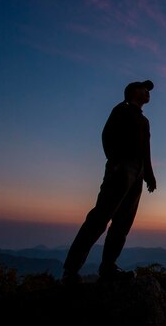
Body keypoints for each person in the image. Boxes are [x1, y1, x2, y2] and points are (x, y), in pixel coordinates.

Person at [62, 80, 157, 284]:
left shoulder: (144, 120)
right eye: (144, 89)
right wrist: (115, 162)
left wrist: (149, 174)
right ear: (132, 91)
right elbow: (107, 136)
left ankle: (108, 268)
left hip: (137, 173)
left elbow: (145, 150)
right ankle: (71, 270)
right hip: (122, 168)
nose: (148, 92)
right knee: (100, 218)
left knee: (123, 223)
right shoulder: (121, 110)